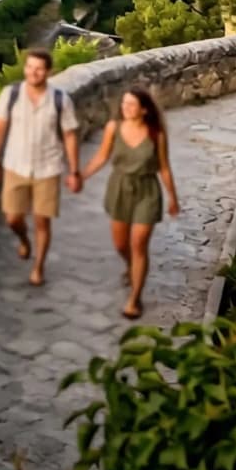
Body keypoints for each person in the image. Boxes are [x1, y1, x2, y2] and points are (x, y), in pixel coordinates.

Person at [0, 48, 81, 286]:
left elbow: (69, 135)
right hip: (15, 165)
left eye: (38, 69)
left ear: (48, 72)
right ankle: (24, 240)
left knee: (42, 221)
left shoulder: (60, 100)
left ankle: (39, 267)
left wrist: (74, 169)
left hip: (48, 167)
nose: (33, 72)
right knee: (12, 218)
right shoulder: (12, 94)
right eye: (29, 67)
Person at [82, 87, 181, 318]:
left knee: (139, 245)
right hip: (119, 189)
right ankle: (129, 266)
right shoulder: (113, 128)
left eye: (131, 105)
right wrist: (82, 175)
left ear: (144, 110)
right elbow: (101, 156)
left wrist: (173, 198)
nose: (125, 108)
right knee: (120, 244)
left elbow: (164, 168)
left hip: (147, 191)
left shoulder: (156, 135)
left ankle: (134, 299)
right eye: (124, 104)